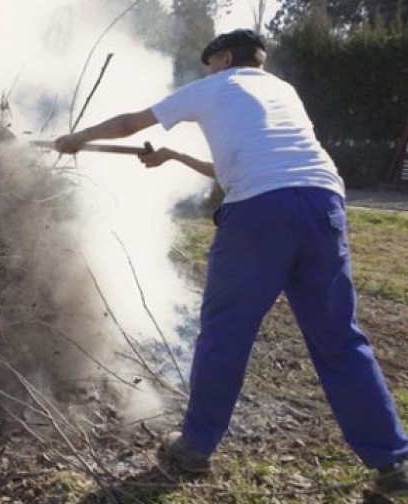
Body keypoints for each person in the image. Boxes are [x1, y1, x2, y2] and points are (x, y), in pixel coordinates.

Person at [53, 28, 408, 497]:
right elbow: (244, 163)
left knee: (226, 332)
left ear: (222, 58)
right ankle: (395, 463)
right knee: (340, 339)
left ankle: (195, 446)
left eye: (209, 64)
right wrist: (175, 155)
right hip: (323, 205)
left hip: (260, 215)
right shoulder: (282, 91)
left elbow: (129, 124)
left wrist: (76, 138)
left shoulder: (215, 85)